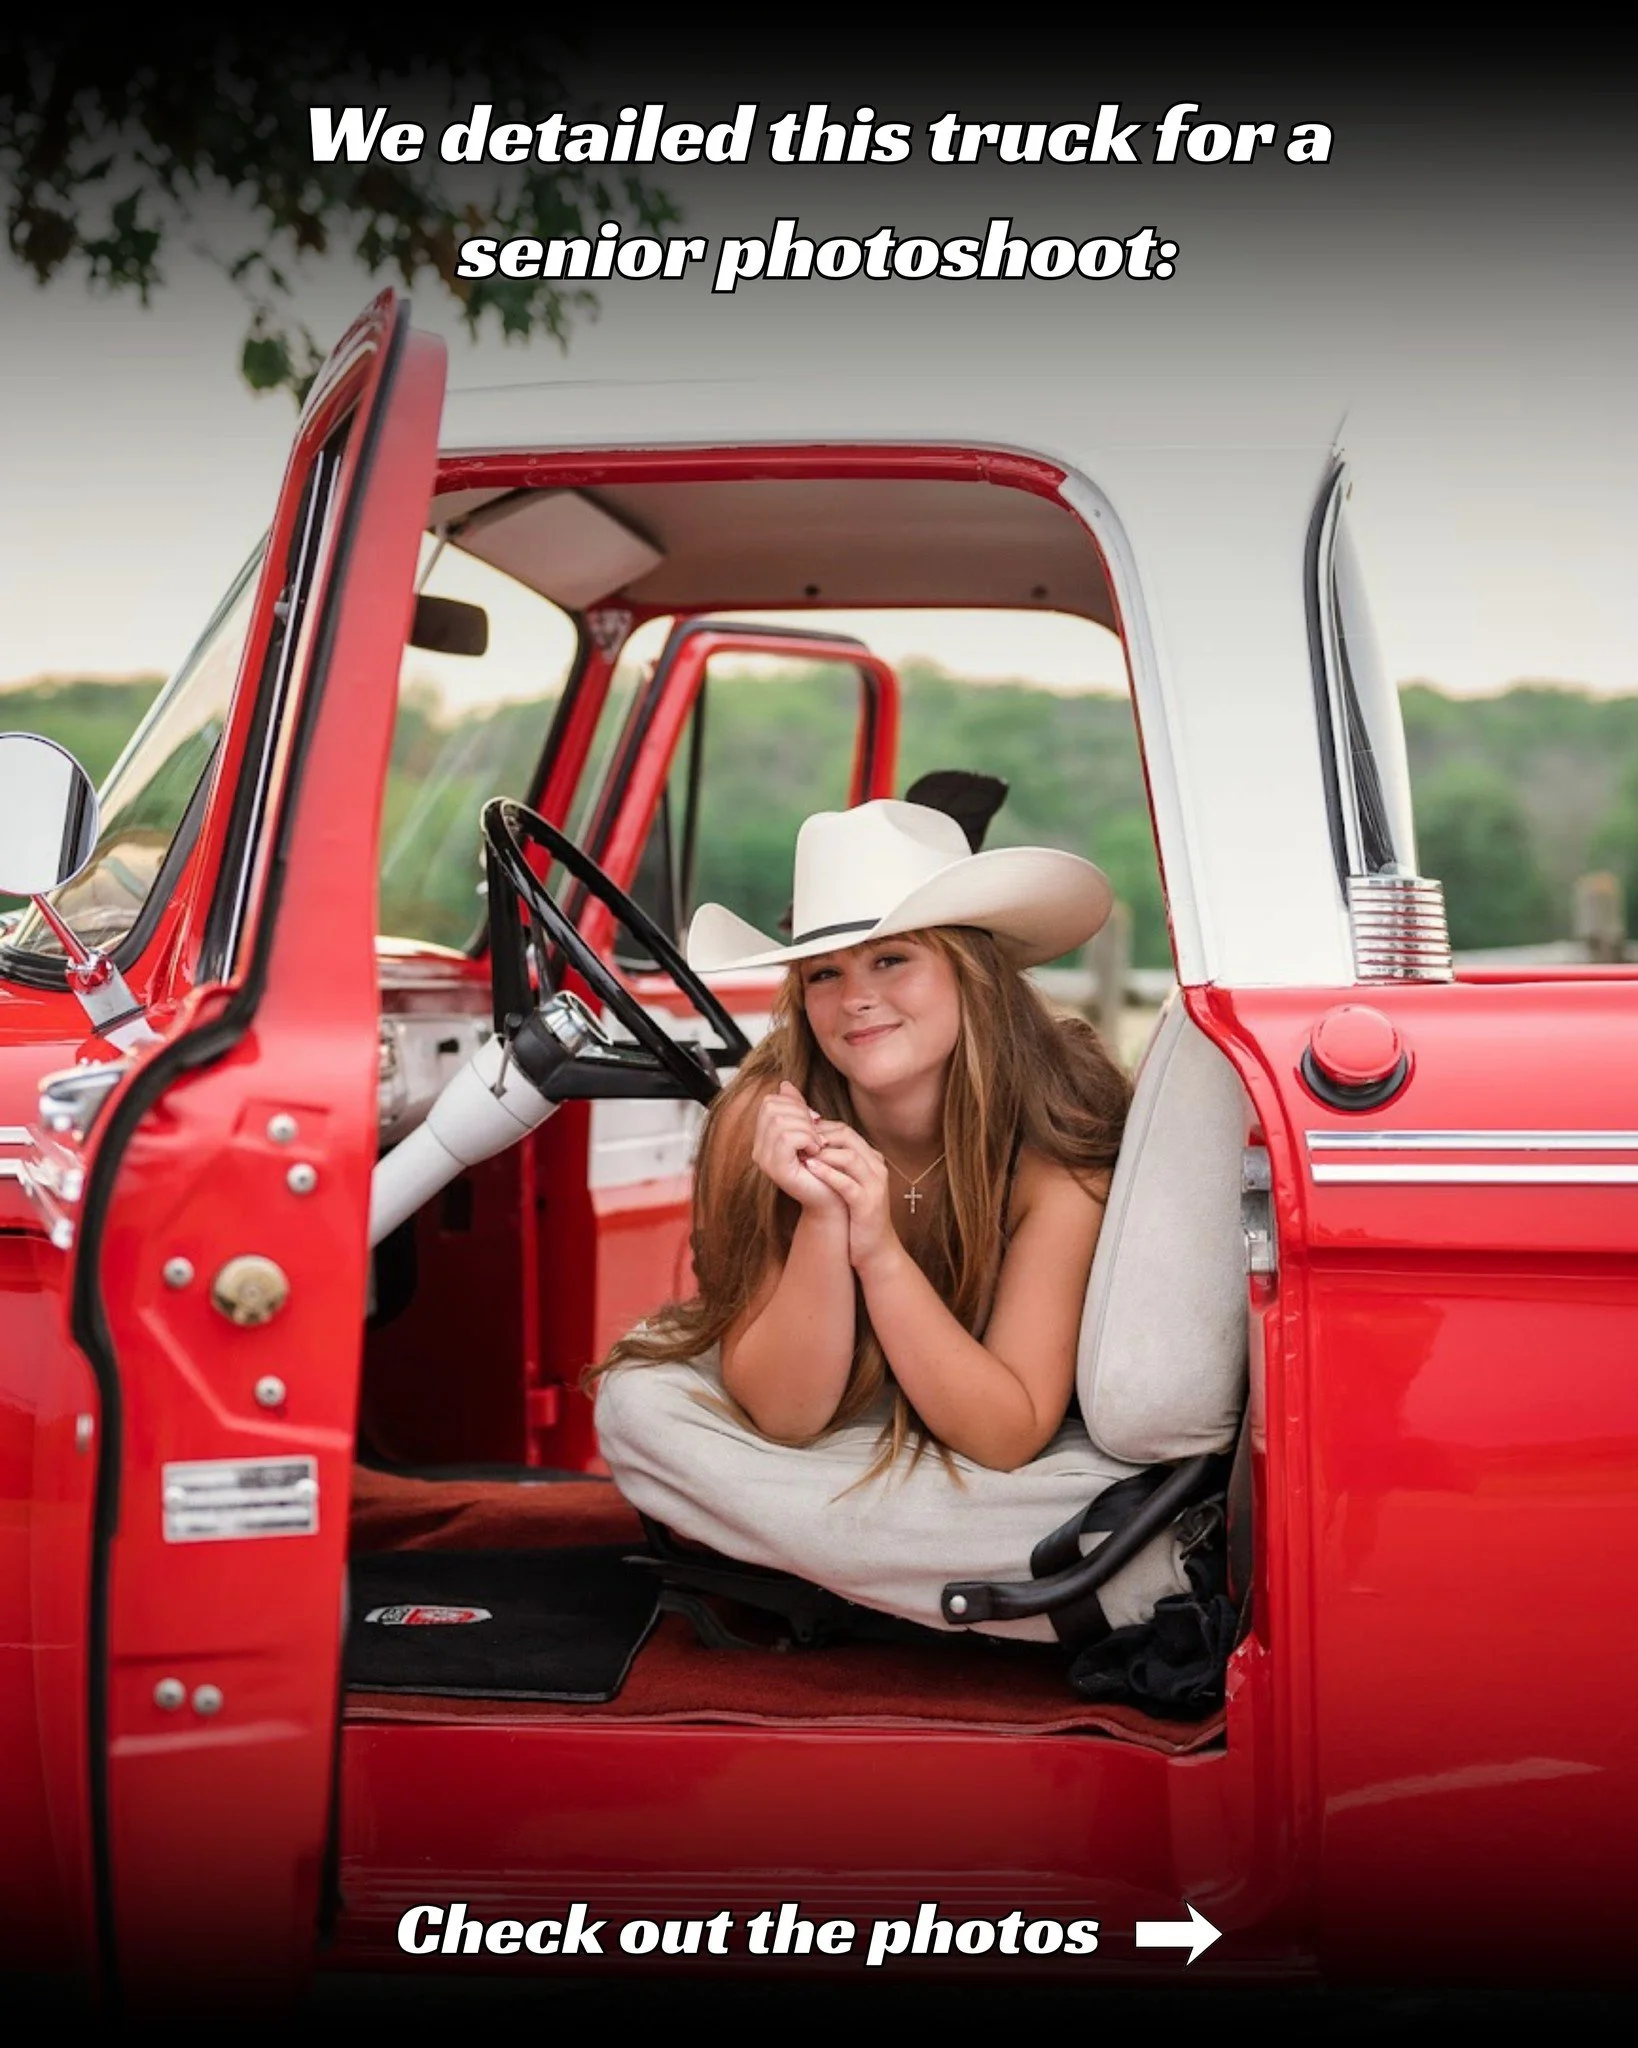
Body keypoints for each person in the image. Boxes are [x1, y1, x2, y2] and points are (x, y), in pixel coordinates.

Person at [589, 798, 1130, 1484]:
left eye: (891, 959)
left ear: (975, 975)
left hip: (982, 1412)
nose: (854, 998)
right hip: (827, 1402)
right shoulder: (762, 1116)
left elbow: (1008, 1434)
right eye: (824, 973)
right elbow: (785, 1416)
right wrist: (825, 1217)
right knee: (637, 1401)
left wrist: (878, 1253)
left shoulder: (1054, 1149)